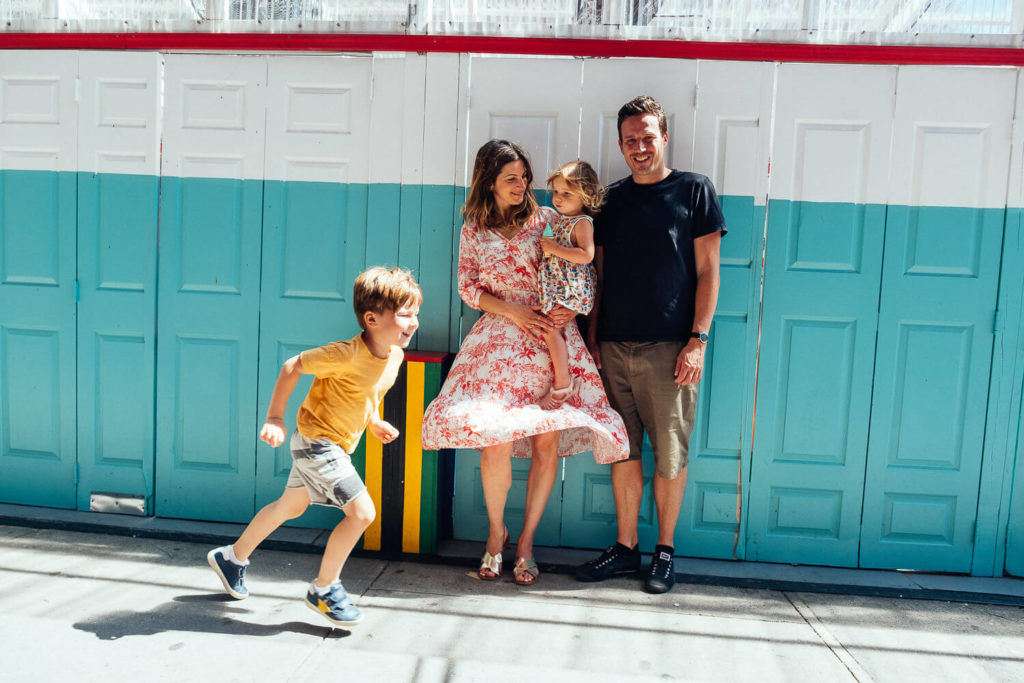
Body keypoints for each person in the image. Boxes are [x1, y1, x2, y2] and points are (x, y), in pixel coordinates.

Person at [422, 139, 628, 586]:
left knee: (546, 444)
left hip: (551, 343)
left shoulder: (550, 219)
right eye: (511, 178)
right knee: (493, 439)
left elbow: (583, 269)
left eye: (524, 177)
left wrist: (573, 309)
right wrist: (513, 311)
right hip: (497, 342)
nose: (522, 185)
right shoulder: (473, 228)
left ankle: (527, 544)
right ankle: (496, 536)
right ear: (489, 181)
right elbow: (467, 287)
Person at [207, 266, 422, 626]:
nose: (413, 322)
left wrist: (374, 421)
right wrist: (275, 417)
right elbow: (293, 366)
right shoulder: (345, 354)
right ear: (371, 318)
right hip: (317, 444)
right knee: (363, 514)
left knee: (288, 508)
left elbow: (366, 394)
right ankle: (324, 589)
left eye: (416, 313)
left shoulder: (395, 357)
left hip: (331, 445)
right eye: (404, 314)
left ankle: (232, 558)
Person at [575, 95, 726, 594]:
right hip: (613, 347)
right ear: (621, 145)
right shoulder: (611, 201)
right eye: (630, 140)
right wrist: (592, 339)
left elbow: (708, 271)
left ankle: (664, 551)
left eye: (648, 137)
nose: (640, 147)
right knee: (623, 453)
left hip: (670, 350)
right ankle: (625, 548)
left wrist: (697, 340)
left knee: (670, 455)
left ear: (664, 137)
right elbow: (599, 273)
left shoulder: (693, 190)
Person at [536, 160, 602, 410]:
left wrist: (555, 248)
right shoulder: (560, 219)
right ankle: (562, 376)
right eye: (555, 192)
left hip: (571, 287)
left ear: (586, 196)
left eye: (566, 193)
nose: (558, 198)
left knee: (551, 328)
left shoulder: (582, 222)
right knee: (553, 329)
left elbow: (586, 255)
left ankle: (563, 383)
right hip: (559, 285)